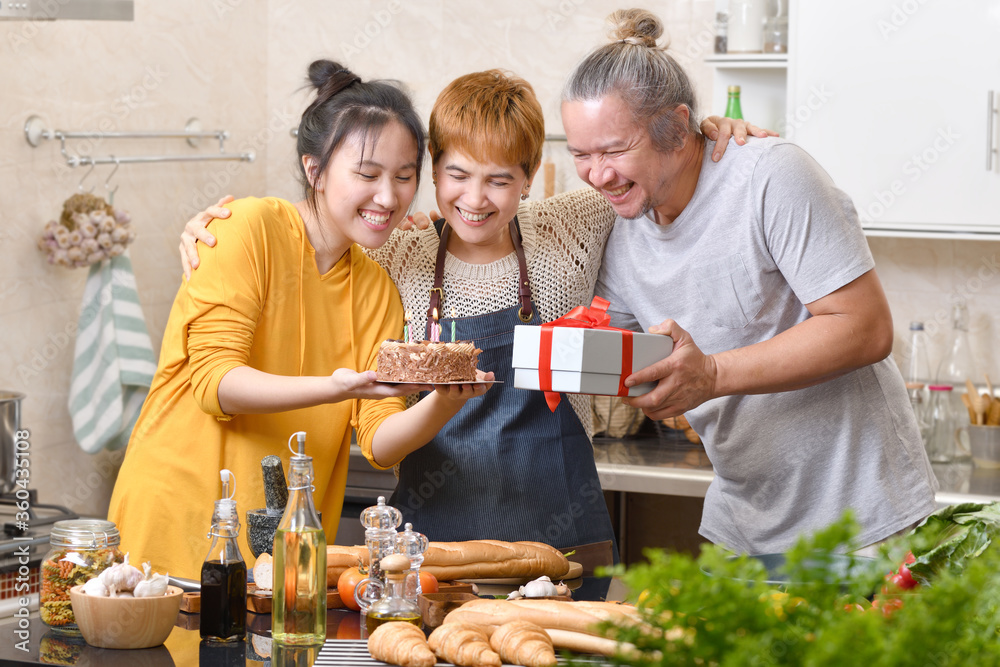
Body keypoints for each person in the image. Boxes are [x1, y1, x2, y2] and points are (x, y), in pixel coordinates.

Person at [180, 69, 766, 556]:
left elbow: (649, 169)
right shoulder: (396, 257)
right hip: (433, 550)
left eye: (500, 180)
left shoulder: (572, 228)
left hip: (565, 542)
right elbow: (322, 222)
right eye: (457, 176)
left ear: (530, 179)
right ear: (433, 174)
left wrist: (710, 132)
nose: (475, 199)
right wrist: (216, 225)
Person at [560, 8, 938, 555]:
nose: (598, 175)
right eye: (580, 155)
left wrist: (710, 373)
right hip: (742, 523)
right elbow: (623, 357)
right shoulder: (622, 229)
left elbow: (866, 328)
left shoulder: (769, 176)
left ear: (676, 125)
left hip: (865, 522)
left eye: (615, 150)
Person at [108, 61, 490, 580]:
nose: (388, 196)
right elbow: (215, 384)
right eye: (367, 174)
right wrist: (333, 389)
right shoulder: (246, 230)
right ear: (315, 170)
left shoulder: (377, 289)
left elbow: (378, 442)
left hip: (285, 543)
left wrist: (444, 403)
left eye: (404, 177)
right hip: (182, 518)